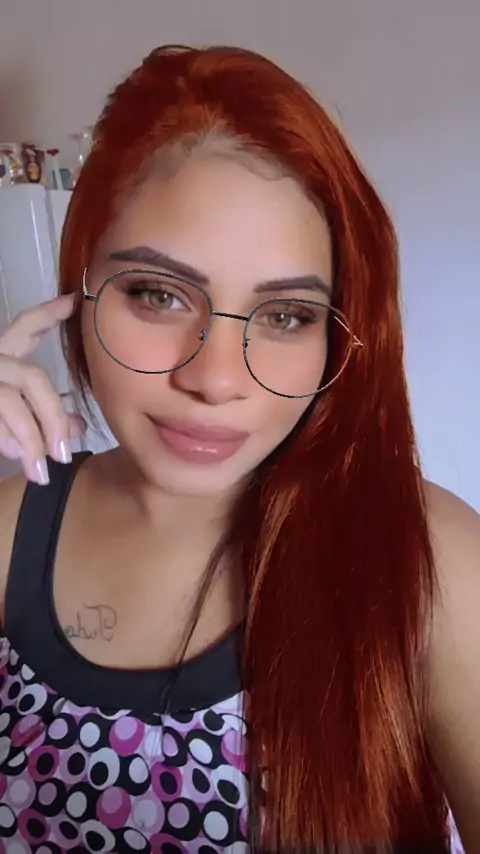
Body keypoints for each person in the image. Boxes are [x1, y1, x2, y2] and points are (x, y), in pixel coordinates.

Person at [0, 44, 477, 854]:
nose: (216, 379)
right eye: (158, 294)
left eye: (286, 316)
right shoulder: (13, 526)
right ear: (78, 287)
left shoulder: (425, 558)